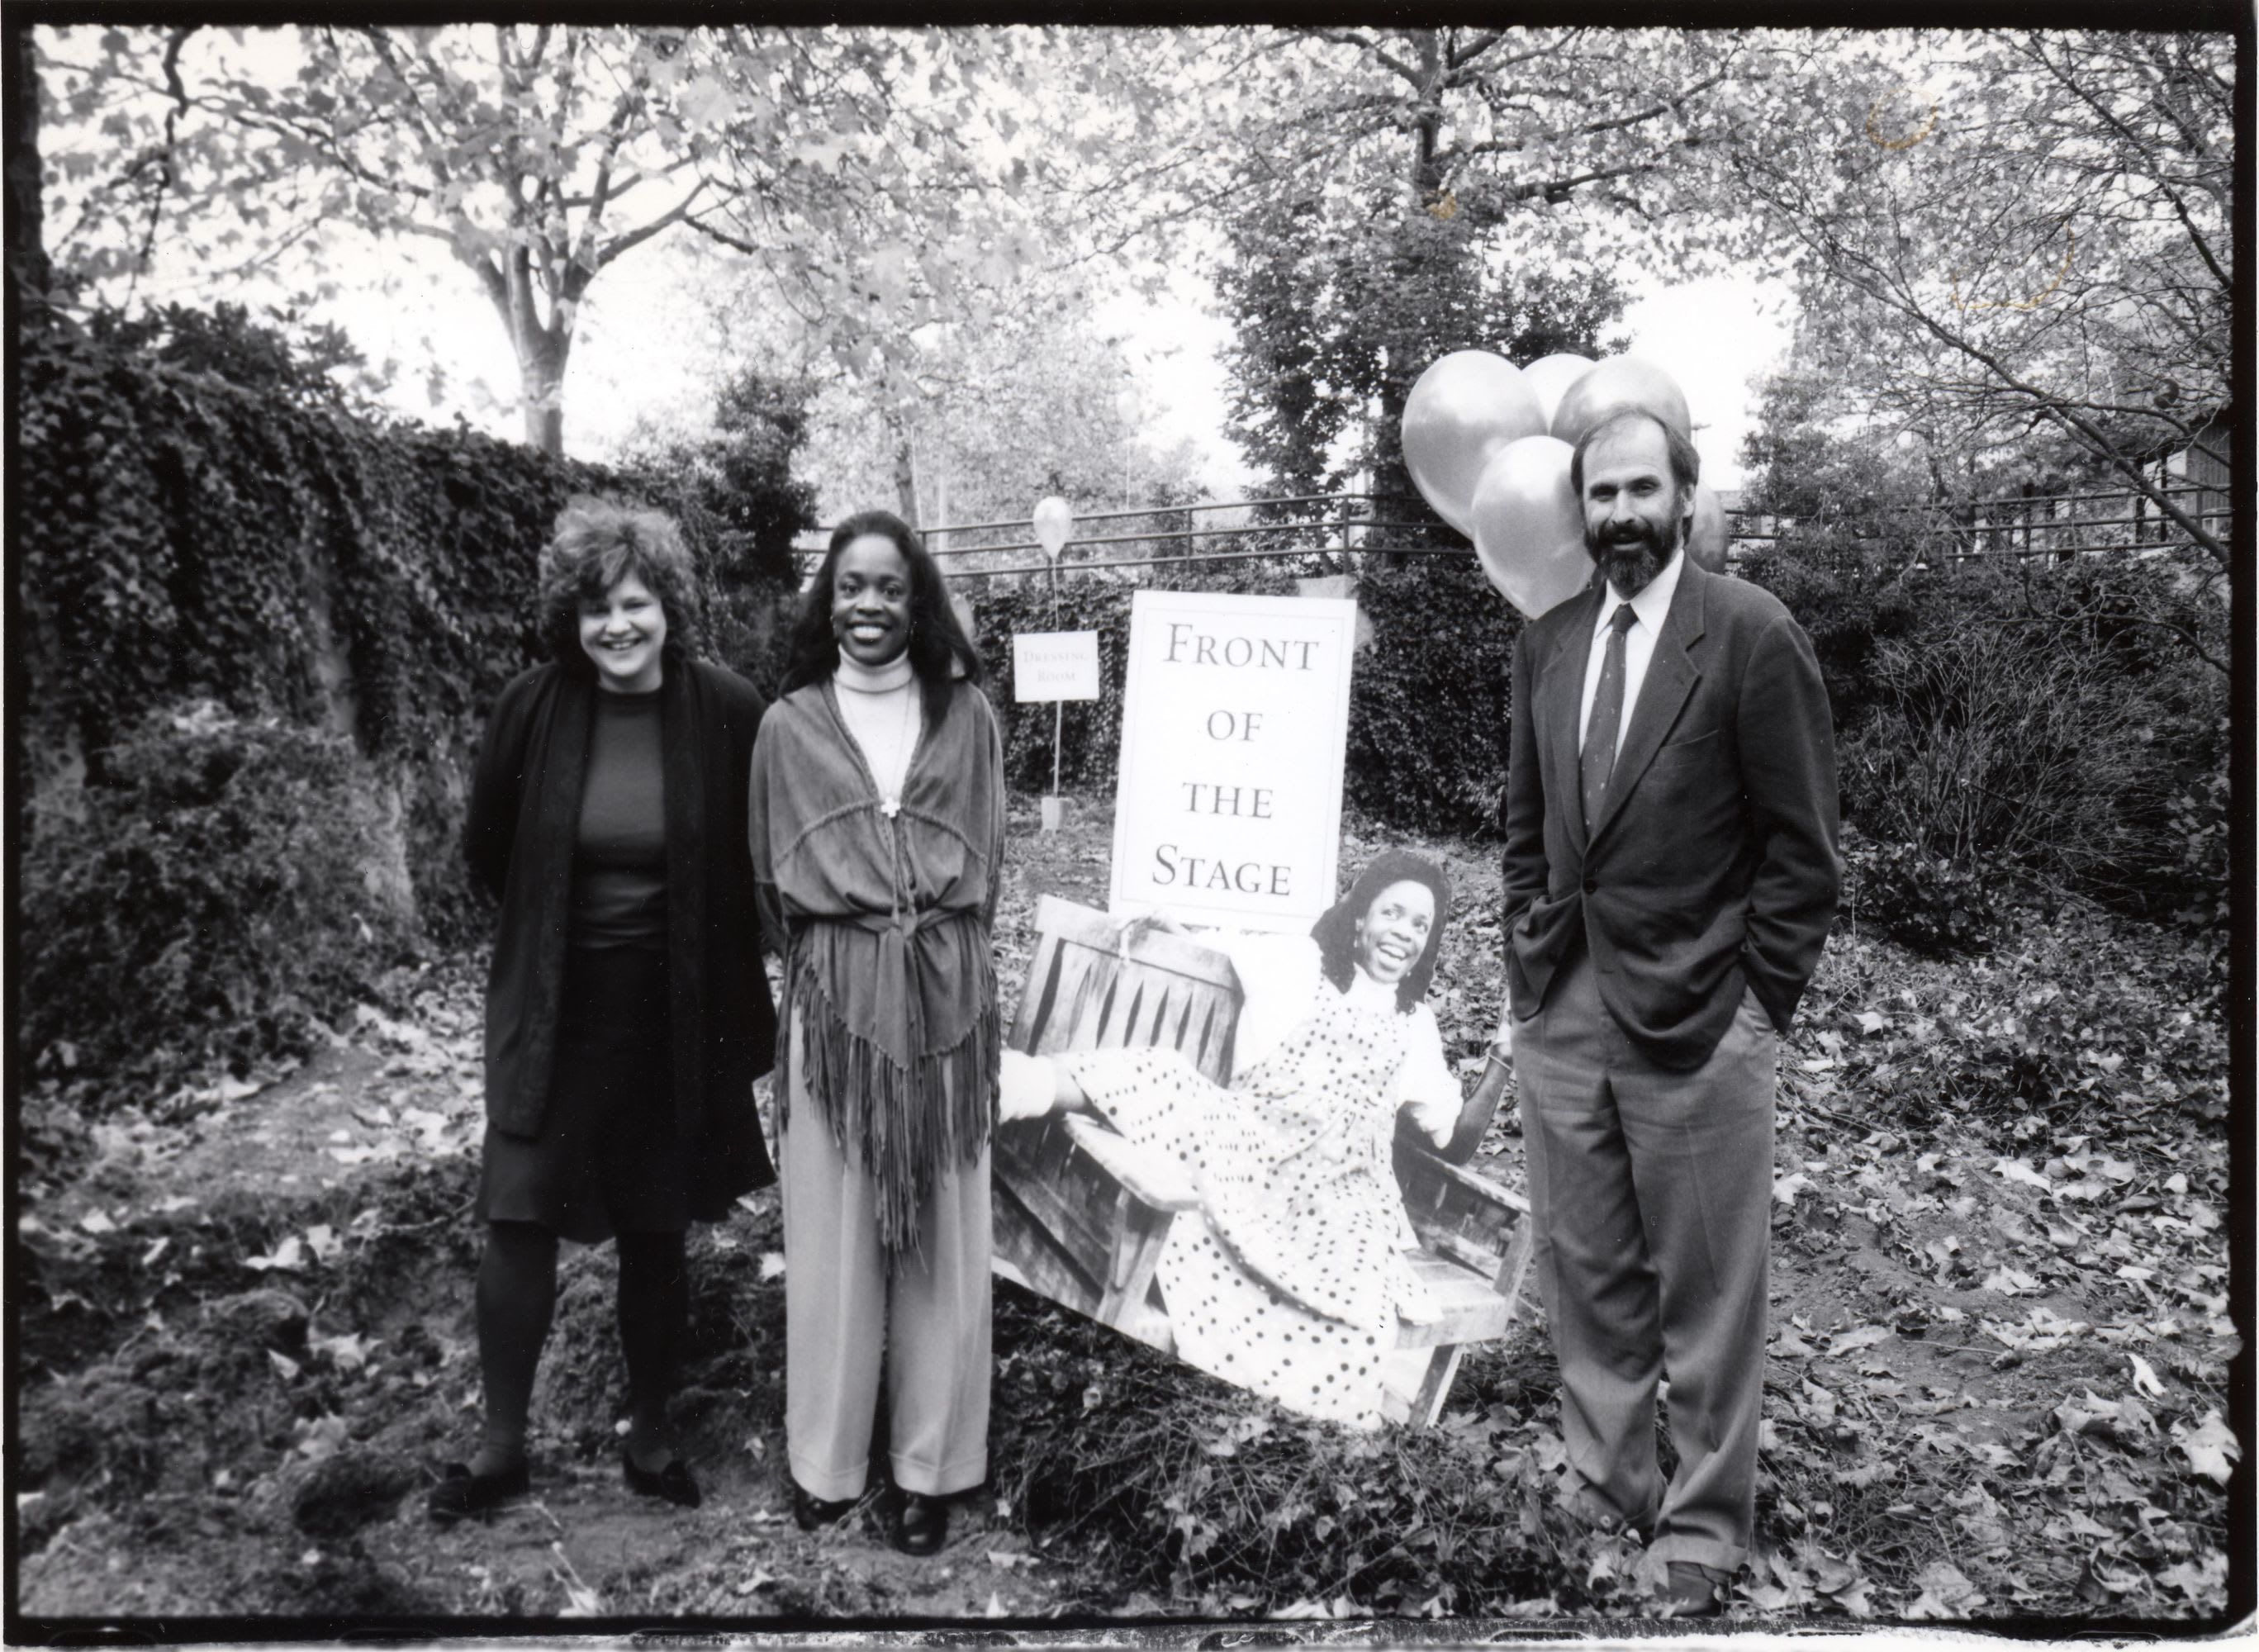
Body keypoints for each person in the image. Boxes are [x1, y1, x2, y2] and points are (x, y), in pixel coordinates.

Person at [1497, 409, 1840, 1615]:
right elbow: (1525, 833)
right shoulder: (1544, 642)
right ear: (1578, 512)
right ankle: (1607, 1484)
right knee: (1584, 1269)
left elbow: (1802, 856)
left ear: (1685, 498)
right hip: (1565, 1007)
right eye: (1600, 496)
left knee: (1702, 1288)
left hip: (1701, 1015)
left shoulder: (1749, 637)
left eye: (1642, 490)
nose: (1620, 516)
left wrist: (1759, 1008)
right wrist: (1528, 974)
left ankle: (1698, 1527)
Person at [434, 499, 778, 1521]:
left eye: (634, 603)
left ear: (667, 605)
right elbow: (490, 849)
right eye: (595, 611)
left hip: (676, 1010)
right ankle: (500, 1448)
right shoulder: (531, 706)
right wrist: (561, 934)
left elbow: (756, 851)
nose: (616, 626)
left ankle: (653, 1430)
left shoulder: (726, 707)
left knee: (655, 1225)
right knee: (517, 1211)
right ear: (570, 621)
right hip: (555, 1005)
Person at [747, 510, 1006, 1557]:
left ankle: (929, 1469)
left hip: (948, 997)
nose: (867, 604)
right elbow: (770, 885)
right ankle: (826, 1459)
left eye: (888, 587)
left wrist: (935, 948)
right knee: (833, 1234)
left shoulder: (970, 717)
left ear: (916, 599)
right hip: (835, 1001)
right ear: (827, 599)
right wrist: (847, 947)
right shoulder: (786, 725)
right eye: (848, 586)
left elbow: (989, 860)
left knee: (945, 1237)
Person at [1000, 852, 1465, 1431]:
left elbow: (1449, 1134)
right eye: (1391, 913)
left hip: (1338, 1201)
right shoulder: (1300, 965)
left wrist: (1503, 1055)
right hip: (1254, 1148)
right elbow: (1214, 947)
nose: (1403, 932)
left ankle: (1290, 1429)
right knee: (1166, 1076)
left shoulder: (1415, 1024)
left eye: (1420, 924)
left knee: (1360, 1311)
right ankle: (1013, 1085)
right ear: (1358, 918)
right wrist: (1167, 926)